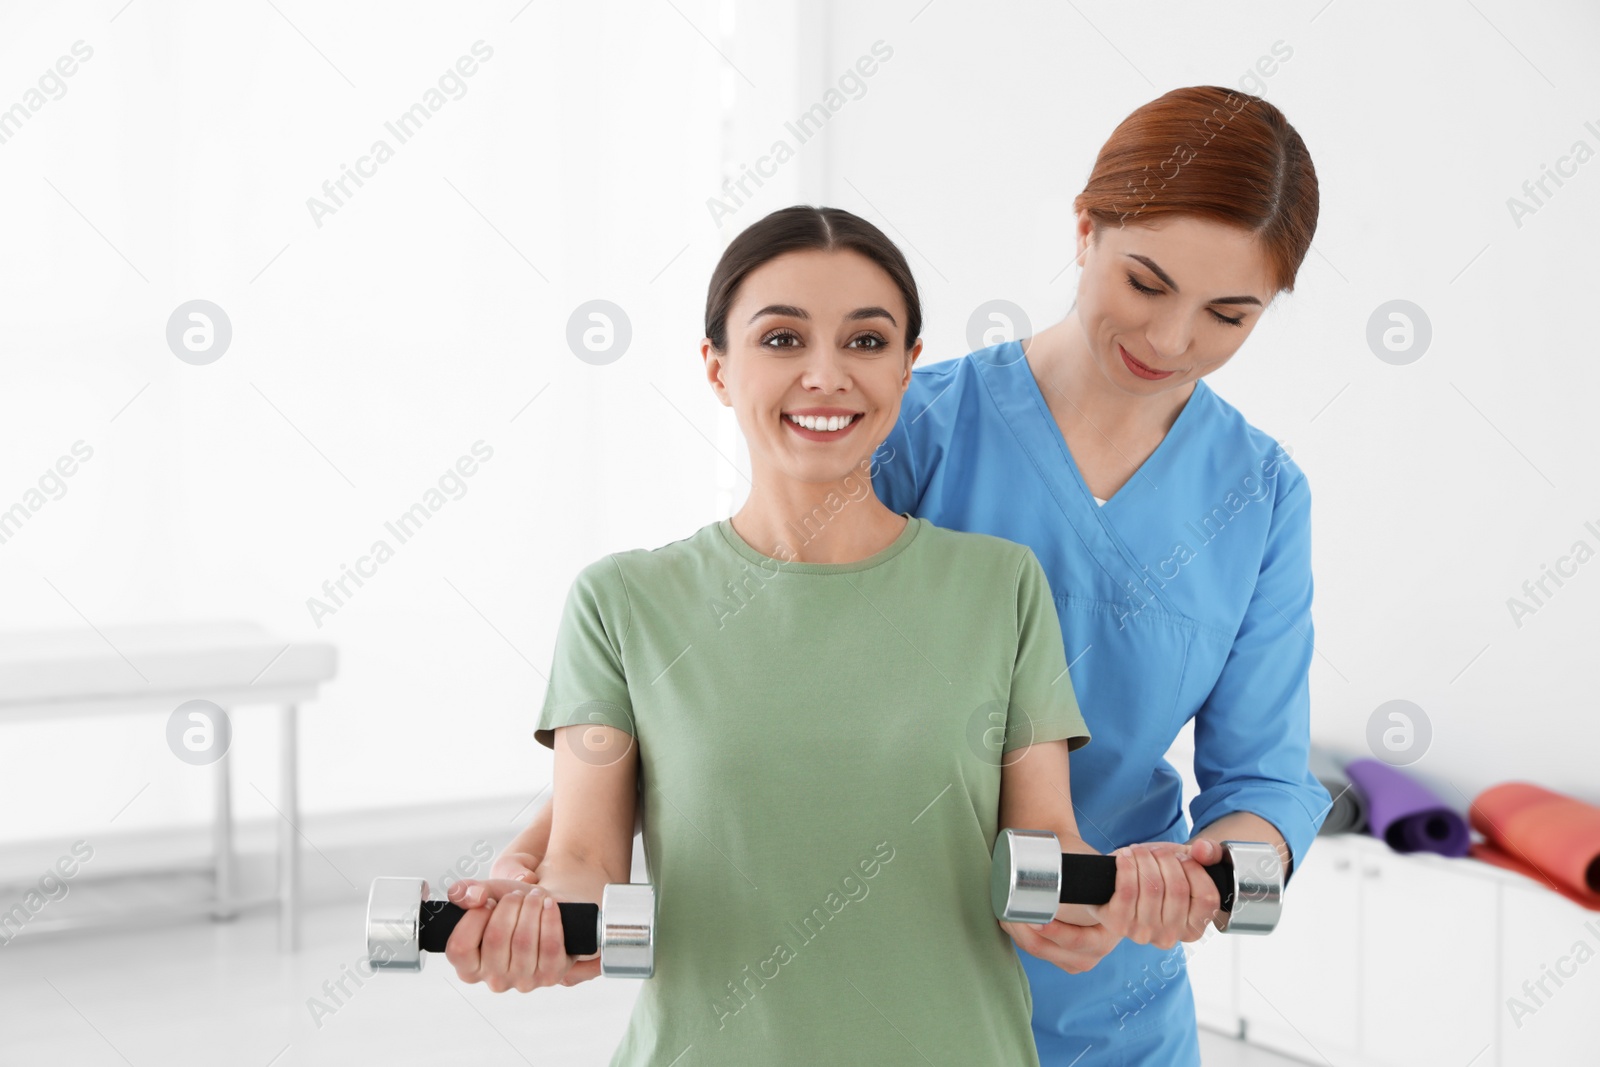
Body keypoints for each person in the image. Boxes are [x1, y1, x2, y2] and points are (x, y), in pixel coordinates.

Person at [440, 205, 1218, 1065]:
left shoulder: (1002, 587)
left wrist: (1116, 891)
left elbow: (1043, 853)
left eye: (866, 341)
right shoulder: (622, 602)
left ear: (908, 367)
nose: (825, 375)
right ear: (717, 368)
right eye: (780, 340)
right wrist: (535, 922)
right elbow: (585, 861)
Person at [866, 85, 1335, 1064]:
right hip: (891, 977)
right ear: (1085, 229)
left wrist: (1207, 874)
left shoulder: (1260, 496)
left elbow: (1259, 776)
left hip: (1112, 1009)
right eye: (1146, 281)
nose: (1170, 341)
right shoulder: (916, 430)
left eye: (1228, 314)